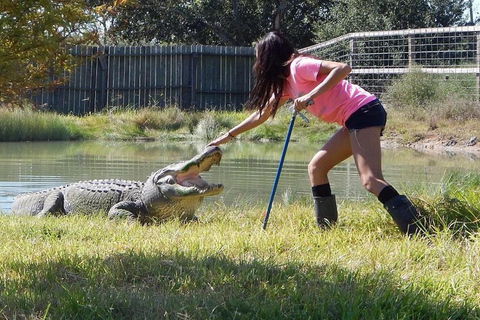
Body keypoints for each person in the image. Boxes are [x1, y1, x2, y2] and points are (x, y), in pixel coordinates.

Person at [207, 31, 422, 235]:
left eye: (259, 58)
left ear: (269, 57)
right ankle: (327, 230)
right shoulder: (286, 85)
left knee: (370, 180)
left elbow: (343, 68)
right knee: (316, 168)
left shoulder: (299, 66)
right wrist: (230, 135)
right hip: (352, 119)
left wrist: (310, 94)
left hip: (364, 110)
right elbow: (262, 114)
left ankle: (418, 228)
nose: (258, 64)